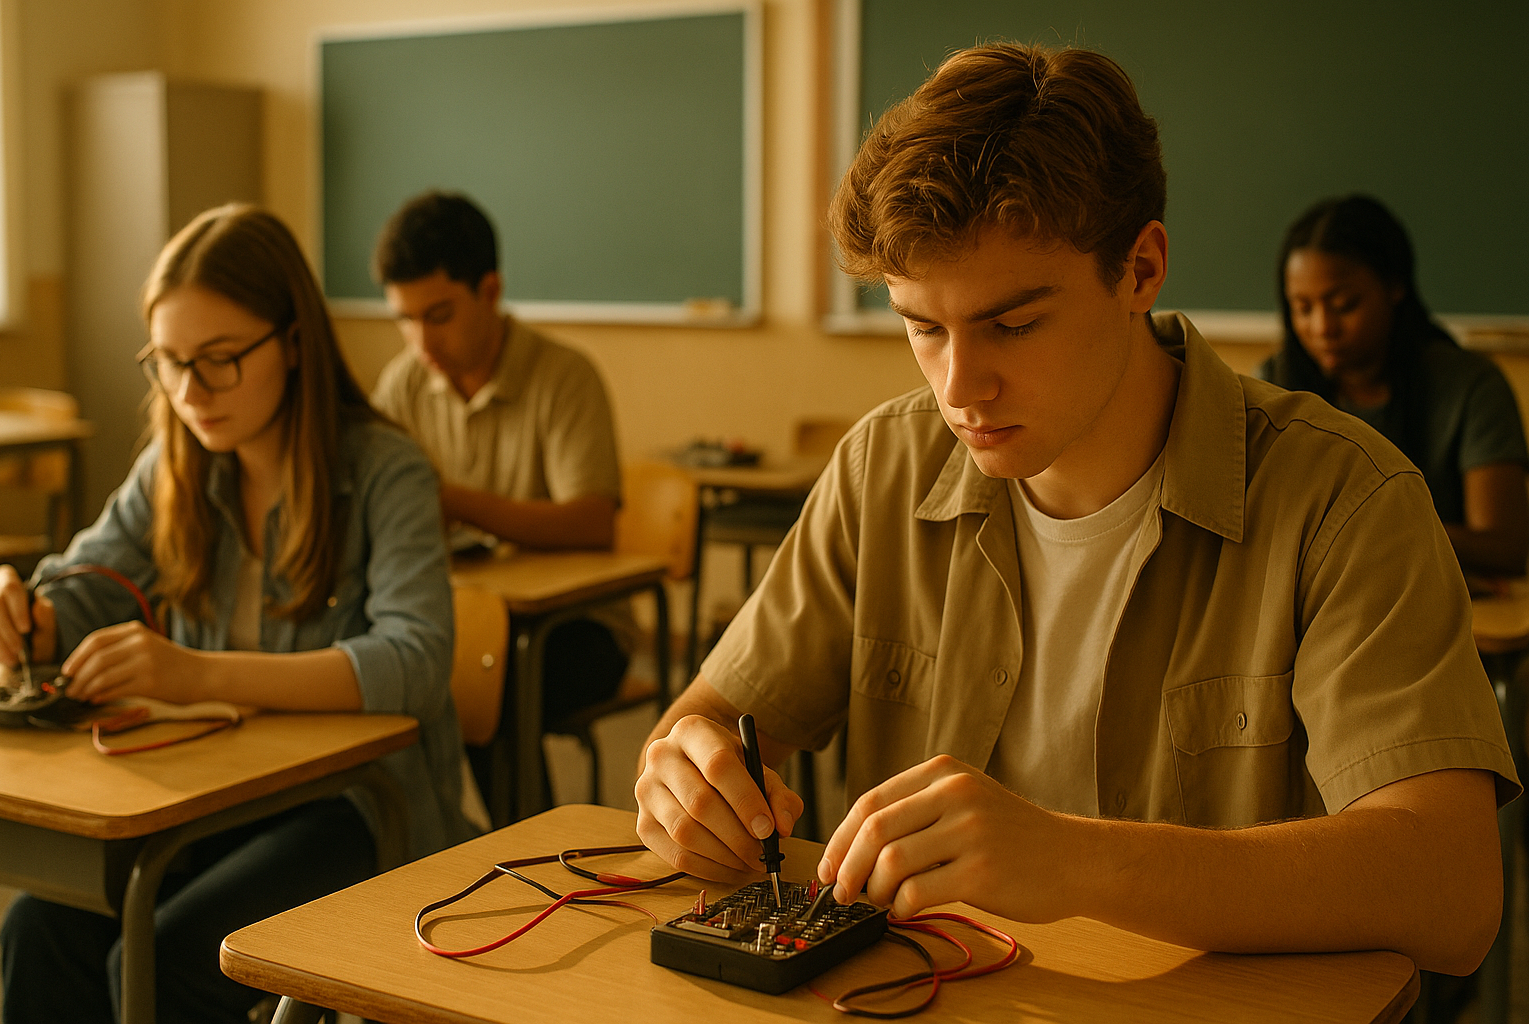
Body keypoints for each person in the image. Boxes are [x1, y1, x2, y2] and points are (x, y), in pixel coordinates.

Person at [633, 43, 1517, 976]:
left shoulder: (1345, 497)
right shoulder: (880, 468)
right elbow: (714, 721)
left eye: (1013, 323)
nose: (958, 387)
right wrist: (683, 776)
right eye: (922, 327)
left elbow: (1454, 892)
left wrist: (1073, 858)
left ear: (1141, 269)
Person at [0, 204, 475, 1024]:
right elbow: (85, 580)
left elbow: (416, 660)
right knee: (37, 928)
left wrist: (197, 673)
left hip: (358, 808)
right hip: (216, 798)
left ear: (292, 343)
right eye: (169, 362)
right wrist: (27, 614)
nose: (189, 393)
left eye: (218, 361)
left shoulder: (383, 469)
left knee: (173, 954)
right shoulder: (176, 466)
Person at [369, 191, 632, 740]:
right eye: (405, 320)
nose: (421, 341)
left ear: (489, 290)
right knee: (389, 675)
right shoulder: (404, 382)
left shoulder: (564, 375)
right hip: (462, 614)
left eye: (438, 316)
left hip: (576, 626)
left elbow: (591, 522)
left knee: (476, 686)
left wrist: (448, 500)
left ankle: (522, 825)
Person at [1260, 194, 1529, 578]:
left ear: (1395, 287)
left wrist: (1365, 524)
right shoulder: (1273, 387)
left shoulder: (1471, 386)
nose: (1322, 328)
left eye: (1344, 304)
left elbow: (1504, 549)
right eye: (1302, 308)